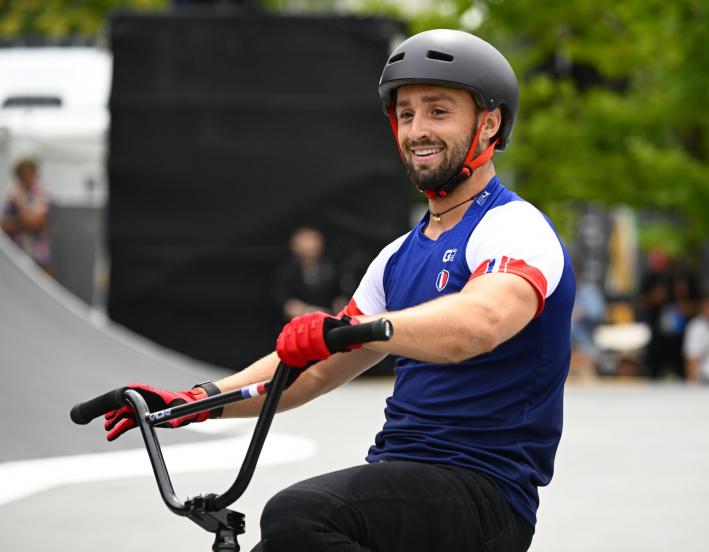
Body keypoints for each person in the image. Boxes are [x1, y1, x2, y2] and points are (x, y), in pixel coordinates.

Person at [100, 29, 575, 552]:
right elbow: (318, 367)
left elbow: (478, 325)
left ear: (489, 123)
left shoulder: (515, 227)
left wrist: (346, 330)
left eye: (439, 111)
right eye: (407, 113)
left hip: (485, 495)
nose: (418, 129)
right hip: (401, 480)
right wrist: (195, 401)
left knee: (299, 515)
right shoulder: (398, 256)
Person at [638, 248, 699, 379]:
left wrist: (686, 305)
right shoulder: (652, 277)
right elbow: (640, 302)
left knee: (681, 369)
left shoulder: (688, 277)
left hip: (682, 336)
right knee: (654, 370)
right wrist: (654, 298)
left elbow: (699, 304)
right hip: (658, 334)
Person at [271, 225, 345, 326]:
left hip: (328, 327)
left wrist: (342, 315)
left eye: (314, 239)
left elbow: (339, 298)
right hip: (297, 328)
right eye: (306, 239)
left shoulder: (332, 269)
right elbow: (285, 304)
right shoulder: (286, 272)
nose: (311, 244)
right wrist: (314, 312)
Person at [1, 157, 53, 273]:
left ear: (34, 174)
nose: (23, 178)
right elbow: (3, 225)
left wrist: (20, 202)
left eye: (26, 174)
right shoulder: (12, 194)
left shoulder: (42, 194)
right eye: (20, 175)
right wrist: (21, 222)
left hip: (38, 255)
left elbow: (35, 223)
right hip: (15, 253)